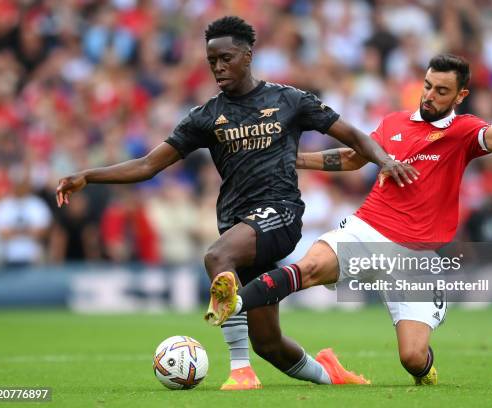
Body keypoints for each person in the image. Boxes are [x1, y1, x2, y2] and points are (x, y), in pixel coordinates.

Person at [56, 16, 417, 390]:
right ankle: (330, 375)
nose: (218, 67)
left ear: (248, 55)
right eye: (212, 61)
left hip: (282, 213)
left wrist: (385, 160)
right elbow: (148, 165)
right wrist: (89, 175)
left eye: (225, 58)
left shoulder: (289, 100)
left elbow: (353, 135)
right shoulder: (206, 116)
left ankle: (240, 371)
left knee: (215, 257)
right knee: (269, 343)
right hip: (238, 225)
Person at [207, 51, 492, 386]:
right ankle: (234, 300)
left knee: (413, 359)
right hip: (368, 229)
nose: (430, 95)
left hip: (415, 256)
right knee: (309, 268)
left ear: (461, 95)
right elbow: (351, 158)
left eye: (442, 91)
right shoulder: (394, 123)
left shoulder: (464, 131)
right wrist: (293, 159)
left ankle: (425, 369)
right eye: (428, 86)